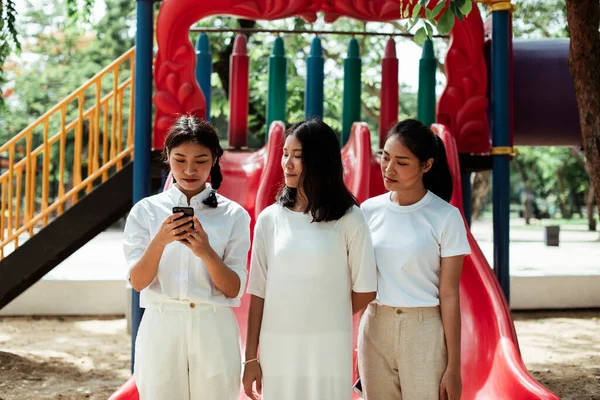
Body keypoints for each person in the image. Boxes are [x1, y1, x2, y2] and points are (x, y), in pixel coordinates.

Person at [242, 119, 378, 400]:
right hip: (277, 348)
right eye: (285, 154)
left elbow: (365, 289)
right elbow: (257, 293)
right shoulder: (269, 219)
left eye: (298, 156)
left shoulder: (350, 219)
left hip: (328, 348)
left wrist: (324, 313)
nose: (287, 163)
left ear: (320, 160)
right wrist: (250, 359)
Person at [123, 116, 251, 400]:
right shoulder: (145, 212)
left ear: (215, 159)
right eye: (180, 159)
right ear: (167, 157)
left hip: (213, 325)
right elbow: (138, 282)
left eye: (201, 160)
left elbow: (233, 288)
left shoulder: (234, 215)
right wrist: (160, 241)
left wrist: (206, 251)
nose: (190, 169)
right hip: (162, 323)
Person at [358, 119, 471, 400]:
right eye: (385, 157)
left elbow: (449, 294)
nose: (388, 168)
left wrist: (454, 367)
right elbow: (361, 280)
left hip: (424, 332)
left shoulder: (445, 217)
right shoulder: (367, 211)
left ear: (426, 165)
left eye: (401, 162)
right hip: (374, 328)